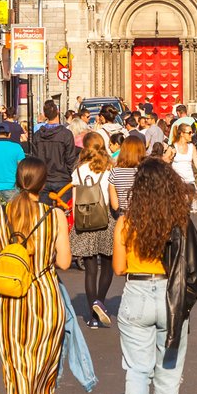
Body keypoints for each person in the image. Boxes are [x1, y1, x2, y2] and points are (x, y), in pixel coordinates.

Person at [0, 156, 71, 394]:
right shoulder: (54, 216)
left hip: (8, 301)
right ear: (43, 183)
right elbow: (63, 263)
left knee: (15, 366)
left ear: (17, 180)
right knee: (43, 364)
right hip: (44, 299)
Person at [113, 159, 197, 394]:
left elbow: (119, 267)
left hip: (136, 293)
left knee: (137, 367)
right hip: (170, 296)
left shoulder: (126, 222)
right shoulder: (178, 220)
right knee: (169, 368)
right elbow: (193, 264)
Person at [70, 136, 120, 328]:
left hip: (85, 218)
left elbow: (75, 199)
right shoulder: (109, 169)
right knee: (106, 267)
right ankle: (100, 302)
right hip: (106, 218)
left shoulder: (78, 170)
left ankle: (92, 316)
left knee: (90, 270)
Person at [167, 122, 197, 209]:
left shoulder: (192, 147)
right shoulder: (173, 147)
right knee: (178, 207)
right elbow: (164, 161)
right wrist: (171, 156)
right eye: (189, 133)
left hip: (189, 181)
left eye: (192, 132)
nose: (191, 135)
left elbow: (196, 162)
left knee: (188, 208)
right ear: (182, 134)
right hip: (177, 183)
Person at [110, 135, 144, 214]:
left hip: (123, 217)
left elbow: (115, 205)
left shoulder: (115, 172)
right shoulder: (145, 172)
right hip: (142, 217)